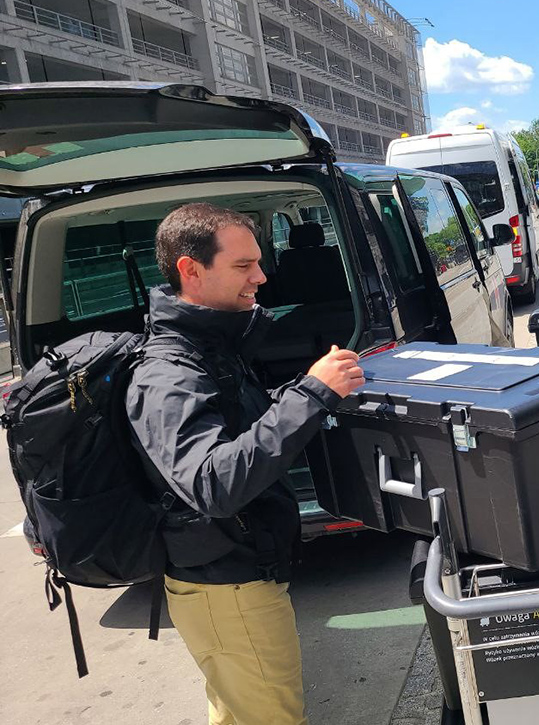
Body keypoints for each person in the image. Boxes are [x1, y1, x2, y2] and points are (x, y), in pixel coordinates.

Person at [127, 203, 365, 724]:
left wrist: (306, 389)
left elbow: (239, 420)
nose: (260, 277)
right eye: (243, 265)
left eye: (258, 262)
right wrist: (311, 395)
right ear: (191, 270)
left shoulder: (210, 344)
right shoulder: (169, 372)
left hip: (232, 578)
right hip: (227, 588)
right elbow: (213, 485)